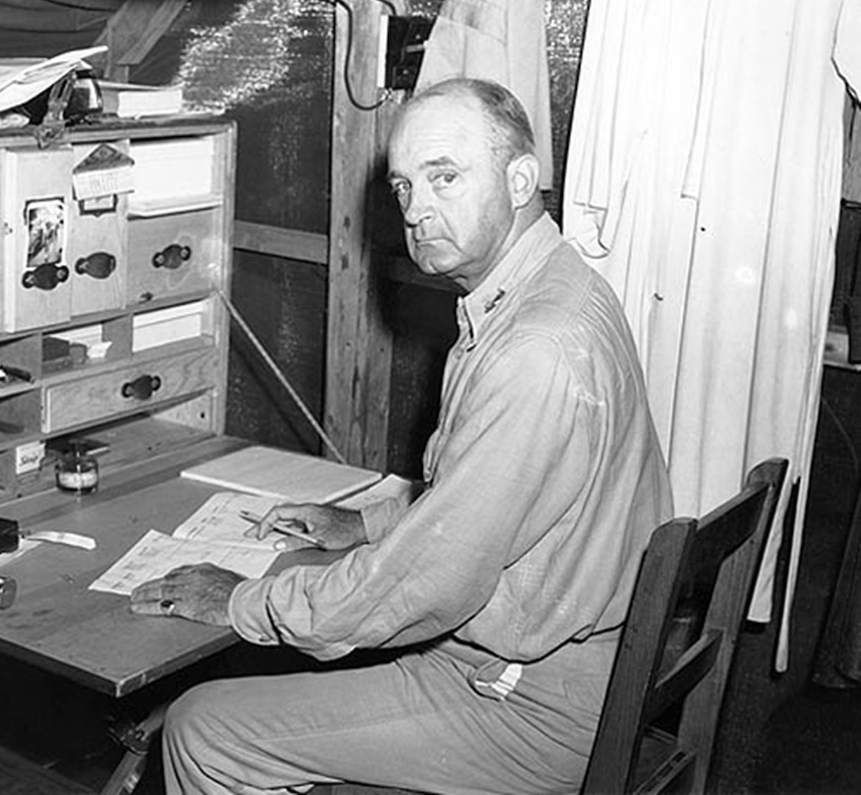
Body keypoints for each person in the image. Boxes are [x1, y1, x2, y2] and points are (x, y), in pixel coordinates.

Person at [129, 78, 673, 794]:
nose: (417, 209)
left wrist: (243, 601)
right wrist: (366, 520)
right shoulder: (554, 286)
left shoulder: (534, 350)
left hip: (528, 706)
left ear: (520, 179)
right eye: (404, 187)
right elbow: (498, 499)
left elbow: (426, 583)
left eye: (445, 177)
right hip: (563, 667)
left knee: (204, 724)